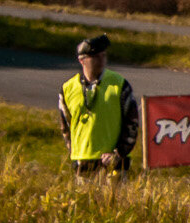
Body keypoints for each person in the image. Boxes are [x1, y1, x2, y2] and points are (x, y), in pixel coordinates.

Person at [57, 34, 139, 176]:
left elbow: (132, 123)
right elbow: (66, 125)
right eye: (95, 57)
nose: (101, 60)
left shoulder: (119, 84)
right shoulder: (67, 89)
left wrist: (119, 153)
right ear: (82, 61)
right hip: (82, 163)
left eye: (104, 56)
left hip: (112, 164)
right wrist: (74, 152)